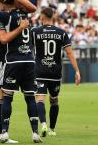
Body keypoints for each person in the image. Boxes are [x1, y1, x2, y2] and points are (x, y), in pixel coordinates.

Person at [0, 0, 41, 143]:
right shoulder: (25, 16)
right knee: (24, 97)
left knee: (5, 97)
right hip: (16, 60)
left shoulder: (3, 16)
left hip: (10, 60)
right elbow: (32, 7)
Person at [31, 7, 81, 137]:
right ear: (53, 17)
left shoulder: (35, 32)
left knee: (40, 100)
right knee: (54, 100)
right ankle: (52, 129)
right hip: (55, 72)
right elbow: (69, 52)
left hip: (40, 70)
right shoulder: (61, 33)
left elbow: (27, 50)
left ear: (42, 17)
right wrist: (77, 70)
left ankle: (43, 124)